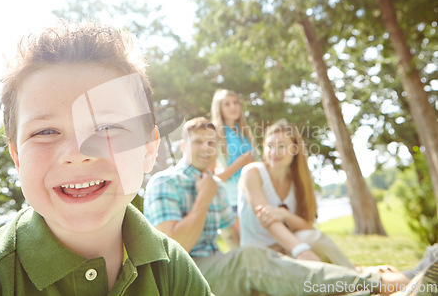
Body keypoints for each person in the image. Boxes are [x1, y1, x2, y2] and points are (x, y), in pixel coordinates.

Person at [0, 21, 211, 295]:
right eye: (45, 131)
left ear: (148, 149)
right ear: (17, 157)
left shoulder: (174, 270)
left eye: (106, 128)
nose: (77, 154)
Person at [143, 117, 405, 296]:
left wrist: (271, 258)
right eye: (198, 141)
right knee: (251, 259)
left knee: (273, 267)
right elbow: (174, 250)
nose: (206, 148)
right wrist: (203, 199)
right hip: (180, 276)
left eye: (211, 142)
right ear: (182, 146)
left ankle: (362, 283)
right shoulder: (164, 182)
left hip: (214, 266)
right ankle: (373, 282)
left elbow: (234, 236)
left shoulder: (215, 187)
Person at [238, 119, 353, 267]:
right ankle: (355, 277)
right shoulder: (252, 173)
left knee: (313, 237)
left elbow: (307, 225)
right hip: (259, 254)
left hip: (286, 247)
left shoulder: (298, 182)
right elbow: (267, 220)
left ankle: (355, 275)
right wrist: (301, 250)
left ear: (294, 149)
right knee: (307, 249)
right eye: (269, 146)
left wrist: (284, 214)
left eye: (281, 146)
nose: (274, 152)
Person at [211, 89, 254, 246]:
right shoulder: (215, 135)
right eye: (227, 104)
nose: (233, 107)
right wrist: (241, 162)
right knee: (245, 251)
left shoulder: (244, 133)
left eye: (235, 103)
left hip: (251, 198)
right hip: (231, 202)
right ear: (219, 108)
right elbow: (217, 178)